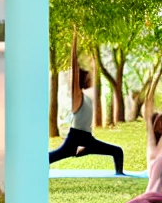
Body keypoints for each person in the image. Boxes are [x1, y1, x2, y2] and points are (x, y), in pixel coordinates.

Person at [48, 28, 124, 175]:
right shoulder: (78, 96)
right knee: (50, 157)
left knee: (117, 151)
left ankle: (120, 175)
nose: (91, 78)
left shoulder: (87, 97)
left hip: (88, 139)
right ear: (83, 80)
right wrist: (74, 43)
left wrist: (91, 53)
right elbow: (75, 71)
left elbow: (94, 70)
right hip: (74, 139)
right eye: (88, 76)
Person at [124, 70, 162, 203]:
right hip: (150, 197)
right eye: (158, 121)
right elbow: (148, 114)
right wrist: (153, 83)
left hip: (154, 197)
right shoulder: (152, 147)